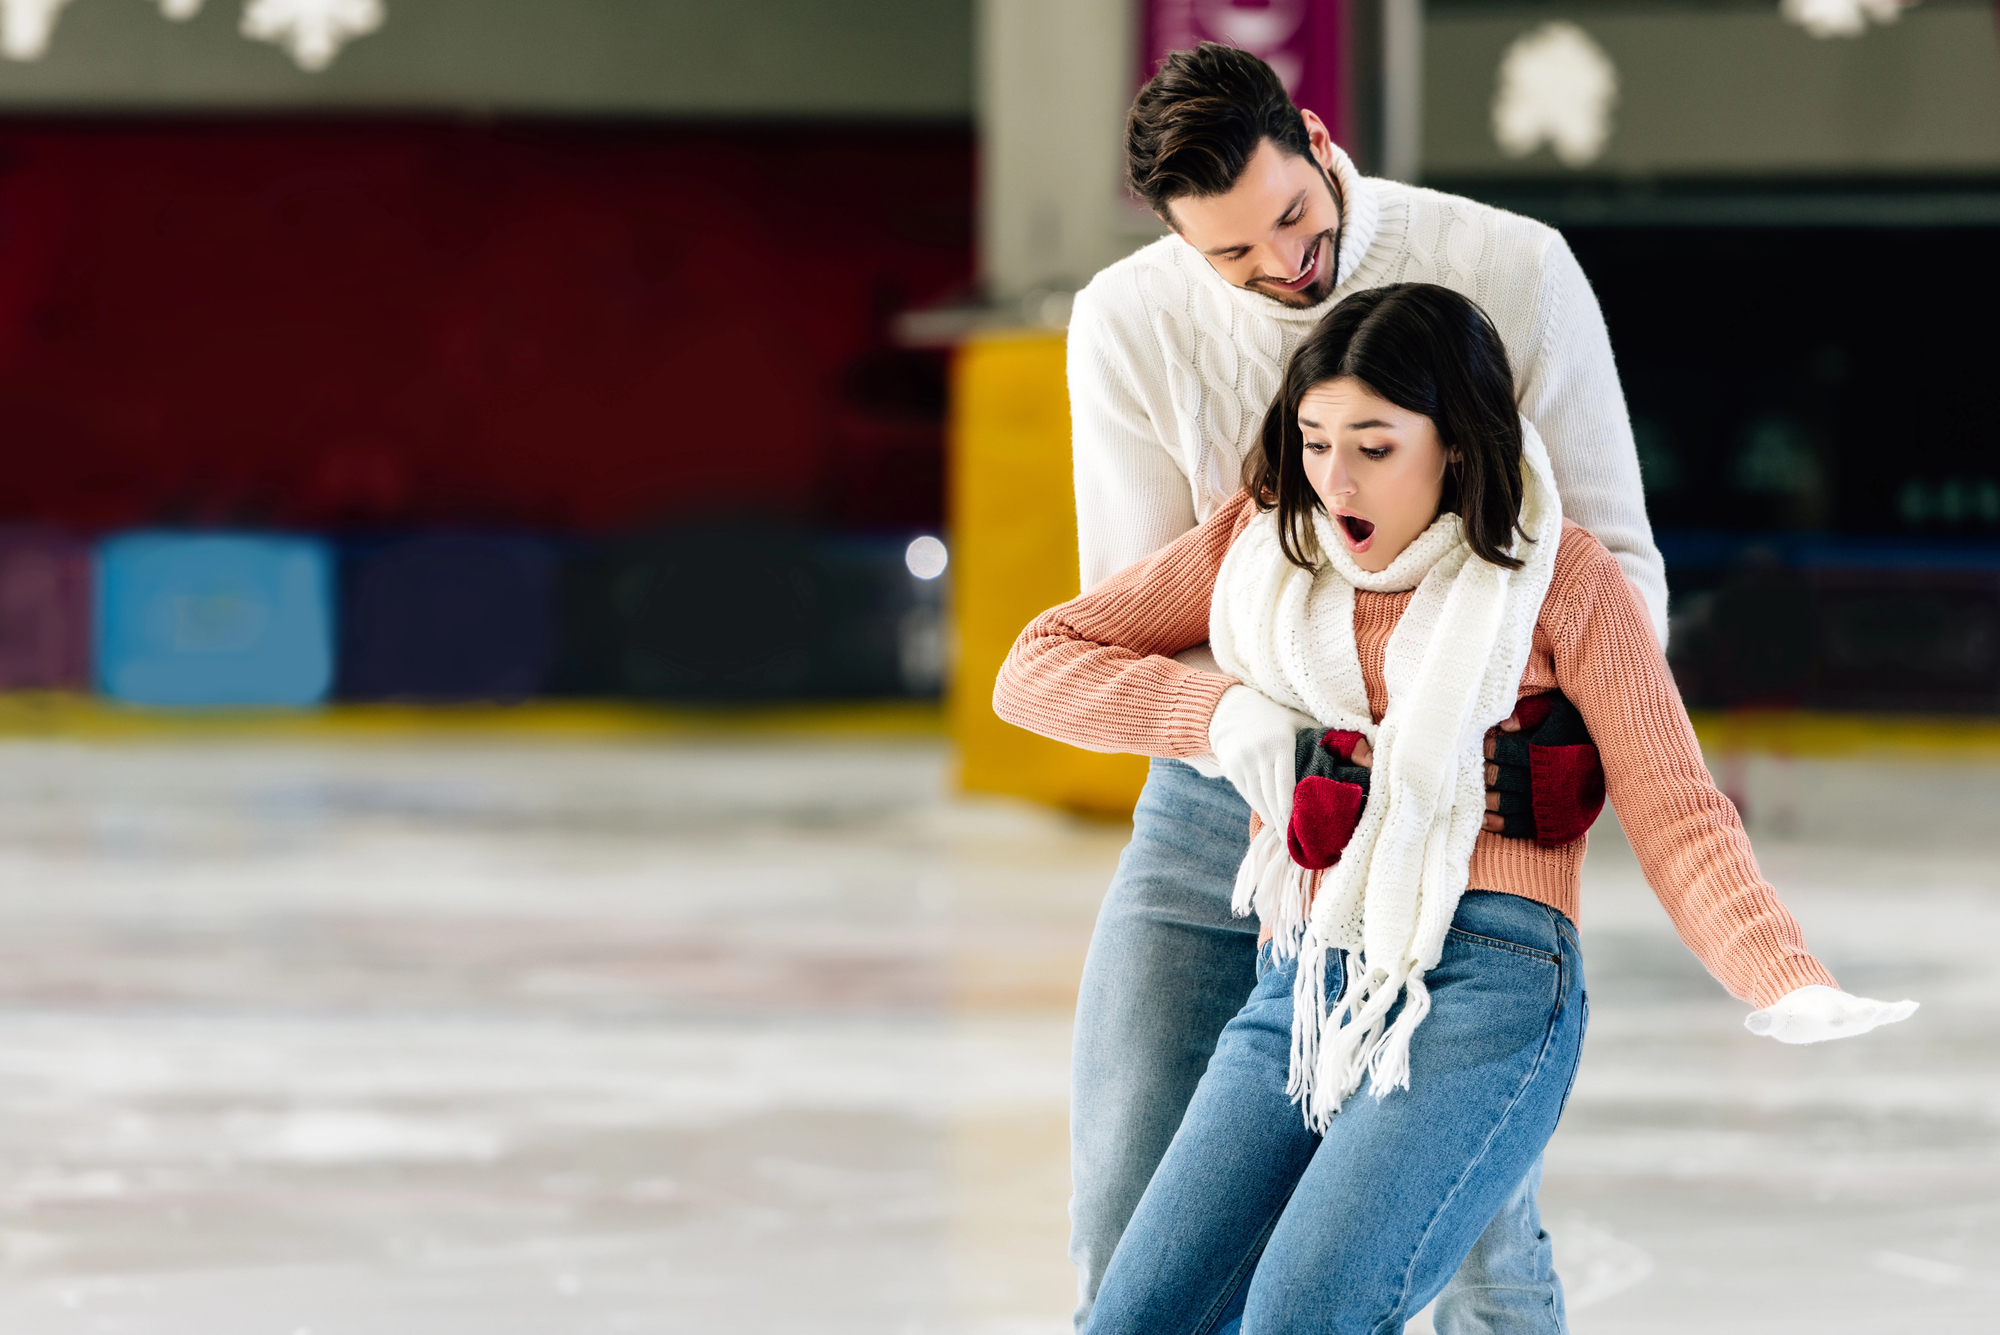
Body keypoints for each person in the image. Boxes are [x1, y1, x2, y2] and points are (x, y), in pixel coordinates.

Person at [1000, 282, 1918, 1335]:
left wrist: (1780, 973)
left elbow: (1677, 808)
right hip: (1306, 979)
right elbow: (1036, 666)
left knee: (1301, 1313)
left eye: (1374, 446)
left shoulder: (1557, 579)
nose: (1331, 477)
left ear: (1455, 446)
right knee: (1136, 1316)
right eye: (1312, 439)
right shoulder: (1264, 547)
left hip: (1493, 978)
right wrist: (1215, 712)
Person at [1060, 43, 1665, 1331]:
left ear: (1319, 137)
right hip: (1223, 814)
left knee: (1454, 1239)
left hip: (1444, 821)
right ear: (1176, 245)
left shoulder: (1508, 265)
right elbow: (1124, 605)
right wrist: (1229, 717)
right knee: (1125, 1230)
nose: (1283, 263)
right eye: (1231, 256)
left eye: (1292, 216)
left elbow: (1610, 557)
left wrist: (1562, 743)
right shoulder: (1127, 321)